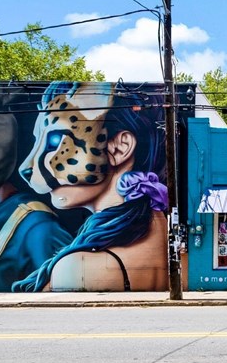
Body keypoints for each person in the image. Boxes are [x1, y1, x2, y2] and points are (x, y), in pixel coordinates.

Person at [12, 82, 168, 292]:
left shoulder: (76, 268)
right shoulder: (163, 227)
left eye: (54, 140)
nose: (26, 167)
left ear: (120, 147)